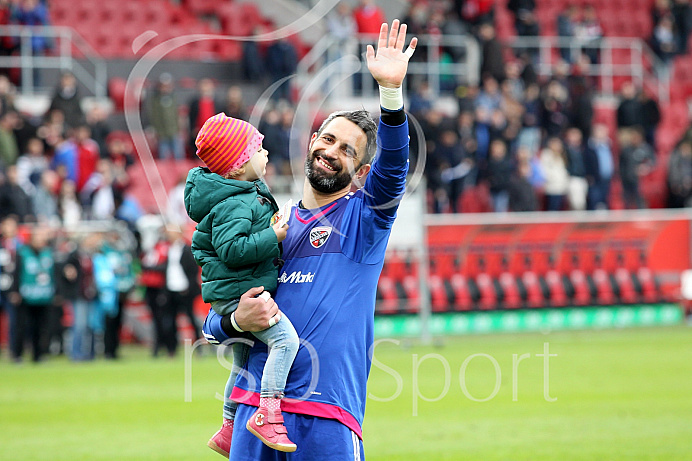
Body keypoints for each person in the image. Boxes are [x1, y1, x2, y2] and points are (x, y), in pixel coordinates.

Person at [201, 20, 416, 460]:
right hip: (254, 411)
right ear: (312, 141)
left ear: (359, 174)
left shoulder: (362, 221)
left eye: (348, 150)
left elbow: (393, 170)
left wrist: (391, 94)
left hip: (327, 415)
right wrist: (239, 321)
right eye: (329, 138)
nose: (332, 151)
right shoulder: (266, 223)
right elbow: (213, 325)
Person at [184, 113, 297, 455]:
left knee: (242, 359)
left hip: (233, 289)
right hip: (240, 291)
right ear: (237, 166)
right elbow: (233, 250)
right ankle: (268, 414)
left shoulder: (241, 193)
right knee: (285, 342)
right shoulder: (236, 201)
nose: (265, 153)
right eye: (258, 148)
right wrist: (274, 234)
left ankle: (229, 426)